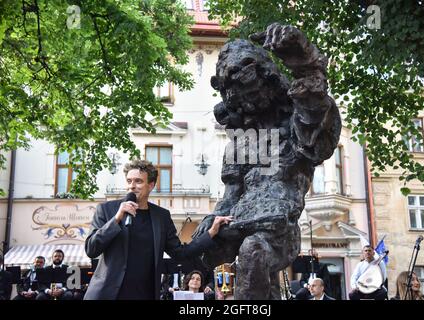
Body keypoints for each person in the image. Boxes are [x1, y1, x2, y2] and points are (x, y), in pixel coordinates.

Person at [193, 23, 341, 300]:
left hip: (279, 230)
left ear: (269, 82)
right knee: (252, 272)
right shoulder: (242, 140)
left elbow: (314, 120)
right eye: (240, 99)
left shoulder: (292, 124)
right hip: (244, 222)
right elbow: (231, 195)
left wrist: (306, 64)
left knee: (253, 252)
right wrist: (213, 220)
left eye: (253, 94)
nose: (249, 104)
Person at [84, 159, 232, 300]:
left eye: (138, 181)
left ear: (151, 185)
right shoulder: (107, 210)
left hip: (145, 294)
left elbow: (180, 253)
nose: (132, 186)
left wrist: (211, 233)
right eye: (129, 181)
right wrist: (116, 219)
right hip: (109, 294)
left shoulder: (161, 216)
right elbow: (91, 249)